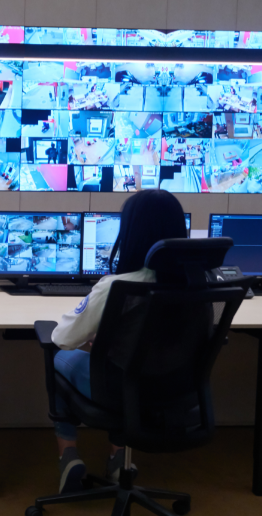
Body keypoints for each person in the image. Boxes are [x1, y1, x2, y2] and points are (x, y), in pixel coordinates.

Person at [48, 189, 188, 494]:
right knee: (124, 365)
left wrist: (97, 344)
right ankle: (116, 460)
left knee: (57, 359)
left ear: (131, 232)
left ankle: (68, 454)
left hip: (120, 390)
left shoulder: (118, 285)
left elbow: (63, 338)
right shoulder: (203, 282)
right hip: (179, 391)